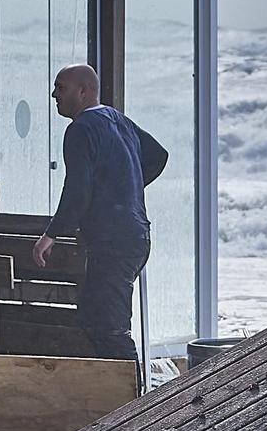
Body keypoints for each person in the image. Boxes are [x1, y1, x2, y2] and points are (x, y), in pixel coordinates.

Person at [33, 64, 167, 361]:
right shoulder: (118, 119)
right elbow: (158, 156)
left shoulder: (80, 129)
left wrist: (51, 234)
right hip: (136, 235)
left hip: (113, 242)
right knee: (94, 319)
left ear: (84, 91)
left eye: (61, 87)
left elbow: (78, 189)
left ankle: (137, 400)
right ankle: (124, 392)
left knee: (109, 328)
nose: (54, 94)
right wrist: (123, 187)